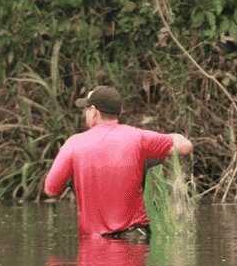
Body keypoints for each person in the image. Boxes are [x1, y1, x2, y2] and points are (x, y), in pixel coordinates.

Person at [43, 85, 193, 240]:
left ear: (94, 112)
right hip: (135, 238)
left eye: (87, 109)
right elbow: (185, 146)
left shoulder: (73, 144)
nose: (86, 113)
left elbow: (51, 189)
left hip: (95, 244)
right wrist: (165, 138)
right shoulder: (137, 137)